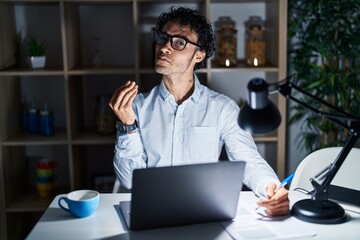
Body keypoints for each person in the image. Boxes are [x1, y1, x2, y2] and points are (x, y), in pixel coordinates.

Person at [109, 6, 289, 216]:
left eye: (179, 42)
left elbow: (249, 160)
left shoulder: (223, 108)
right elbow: (129, 180)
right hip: (151, 213)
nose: (165, 47)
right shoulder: (136, 106)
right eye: (162, 38)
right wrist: (127, 126)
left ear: (199, 54)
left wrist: (271, 187)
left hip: (202, 213)